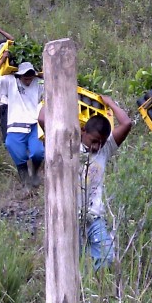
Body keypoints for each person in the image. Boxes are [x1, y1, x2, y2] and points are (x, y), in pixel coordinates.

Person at [40, 95, 133, 269]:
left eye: (101, 142)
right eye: (94, 141)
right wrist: (51, 97)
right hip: (68, 217)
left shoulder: (105, 150)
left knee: (107, 257)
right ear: (83, 131)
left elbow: (126, 124)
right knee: (72, 264)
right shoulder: (66, 147)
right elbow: (42, 119)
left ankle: (100, 292)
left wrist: (110, 103)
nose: (97, 146)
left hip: (93, 216)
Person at [0, 58, 45, 188]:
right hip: (15, 125)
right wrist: (2, 60)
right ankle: (25, 180)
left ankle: (35, 172)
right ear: (19, 75)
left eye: (30, 76)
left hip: (34, 124)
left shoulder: (39, 82)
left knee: (38, 152)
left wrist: (43, 70)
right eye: (25, 76)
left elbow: (52, 81)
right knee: (14, 149)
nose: (28, 79)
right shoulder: (9, 81)